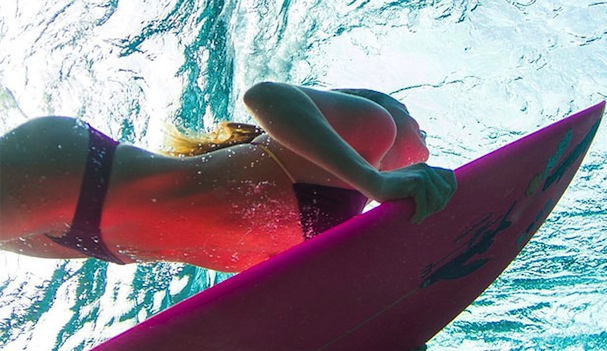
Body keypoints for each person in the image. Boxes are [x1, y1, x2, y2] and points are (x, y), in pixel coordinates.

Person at [0, 82, 456, 271]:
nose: (425, 135)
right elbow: (265, 95)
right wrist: (375, 181)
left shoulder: (351, 214)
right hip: (81, 174)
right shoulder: (378, 127)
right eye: (419, 122)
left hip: (86, 238)